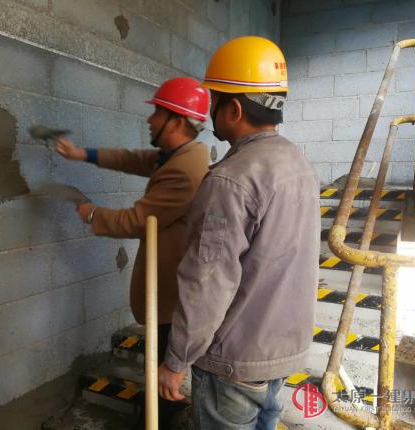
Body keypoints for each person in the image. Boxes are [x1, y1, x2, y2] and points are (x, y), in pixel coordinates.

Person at [158, 36, 321, 430]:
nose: (208, 110)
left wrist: (176, 360)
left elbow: (207, 281)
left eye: (214, 99)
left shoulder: (230, 180)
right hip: (280, 354)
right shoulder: (296, 162)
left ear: (233, 109)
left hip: (234, 363)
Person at [55, 77, 210, 427]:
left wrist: (92, 214)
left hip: (170, 292)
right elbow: (136, 159)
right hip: (171, 284)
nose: (150, 120)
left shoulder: (183, 170)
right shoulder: (184, 154)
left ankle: (162, 419)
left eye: (158, 113)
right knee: (160, 367)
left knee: (163, 371)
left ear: (177, 122)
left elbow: (138, 221)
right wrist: (83, 154)